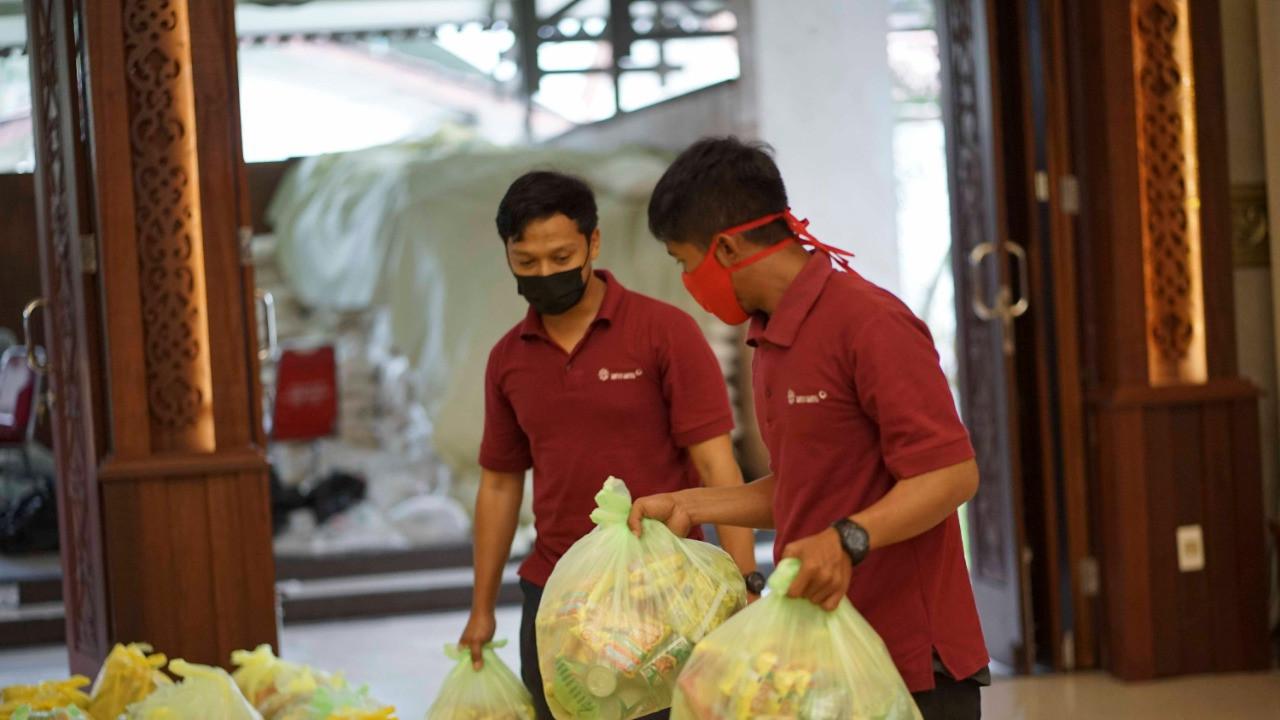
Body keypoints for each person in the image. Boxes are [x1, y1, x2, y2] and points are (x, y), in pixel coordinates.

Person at [631, 138, 990, 720]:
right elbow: (803, 487)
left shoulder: (869, 322)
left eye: (683, 261)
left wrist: (847, 539)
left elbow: (951, 475)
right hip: (816, 658)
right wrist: (689, 504)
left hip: (910, 664)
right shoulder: (769, 336)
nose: (687, 281)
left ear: (725, 248)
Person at [459, 170, 759, 720]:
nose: (544, 273)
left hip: (665, 595)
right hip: (557, 597)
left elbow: (717, 464)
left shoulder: (664, 332)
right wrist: (482, 609)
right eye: (526, 262)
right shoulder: (508, 359)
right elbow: (500, 486)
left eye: (560, 257)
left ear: (593, 243)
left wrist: (745, 584)